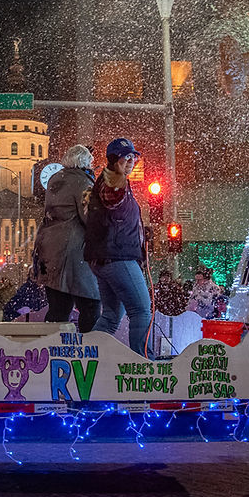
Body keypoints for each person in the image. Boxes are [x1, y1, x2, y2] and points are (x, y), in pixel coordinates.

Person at [85, 138, 152, 357]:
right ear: (114, 160)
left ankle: (85, 360)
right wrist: (118, 178)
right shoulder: (111, 182)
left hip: (106, 257)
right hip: (117, 257)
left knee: (110, 317)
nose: (131, 162)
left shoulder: (116, 181)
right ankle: (144, 367)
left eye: (134, 157)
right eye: (126, 158)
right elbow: (112, 199)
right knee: (141, 311)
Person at [34, 144, 100, 332]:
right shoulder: (82, 182)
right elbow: (89, 216)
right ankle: (89, 350)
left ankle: (51, 350)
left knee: (59, 308)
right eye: (90, 161)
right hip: (74, 252)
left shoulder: (55, 180)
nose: (92, 164)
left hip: (48, 249)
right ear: (84, 162)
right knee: (91, 304)